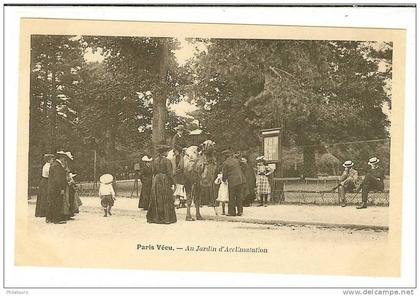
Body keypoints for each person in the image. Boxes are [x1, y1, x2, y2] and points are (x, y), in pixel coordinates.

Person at [146, 143, 177, 224]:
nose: (167, 153)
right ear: (164, 152)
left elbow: (153, 171)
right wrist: (174, 183)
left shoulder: (155, 160)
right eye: (166, 151)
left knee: (156, 197)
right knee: (166, 197)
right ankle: (166, 218)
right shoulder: (167, 161)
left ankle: (155, 217)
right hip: (164, 179)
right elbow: (170, 173)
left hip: (156, 179)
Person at [46, 151, 70, 224]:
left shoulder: (54, 164)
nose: (64, 160)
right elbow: (58, 179)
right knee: (57, 203)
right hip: (56, 188)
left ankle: (49, 218)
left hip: (52, 187)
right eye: (64, 158)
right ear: (61, 158)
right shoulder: (57, 165)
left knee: (52, 202)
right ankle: (56, 219)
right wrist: (61, 188)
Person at [222, 149, 246, 216]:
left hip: (233, 181)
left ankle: (232, 212)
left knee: (232, 197)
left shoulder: (225, 163)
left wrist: (223, 180)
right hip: (241, 180)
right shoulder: (236, 160)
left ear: (225, 156)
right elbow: (244, 166)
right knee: (239, 196)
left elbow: (224, 174)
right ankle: (240, 211)